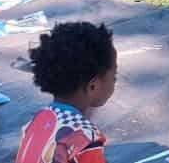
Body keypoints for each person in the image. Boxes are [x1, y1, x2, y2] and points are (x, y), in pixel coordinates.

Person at [16, 22, 118, 163]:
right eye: (114, 76)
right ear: (92, 86)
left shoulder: (39, 119)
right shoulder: (86, 137)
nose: (114, 81)